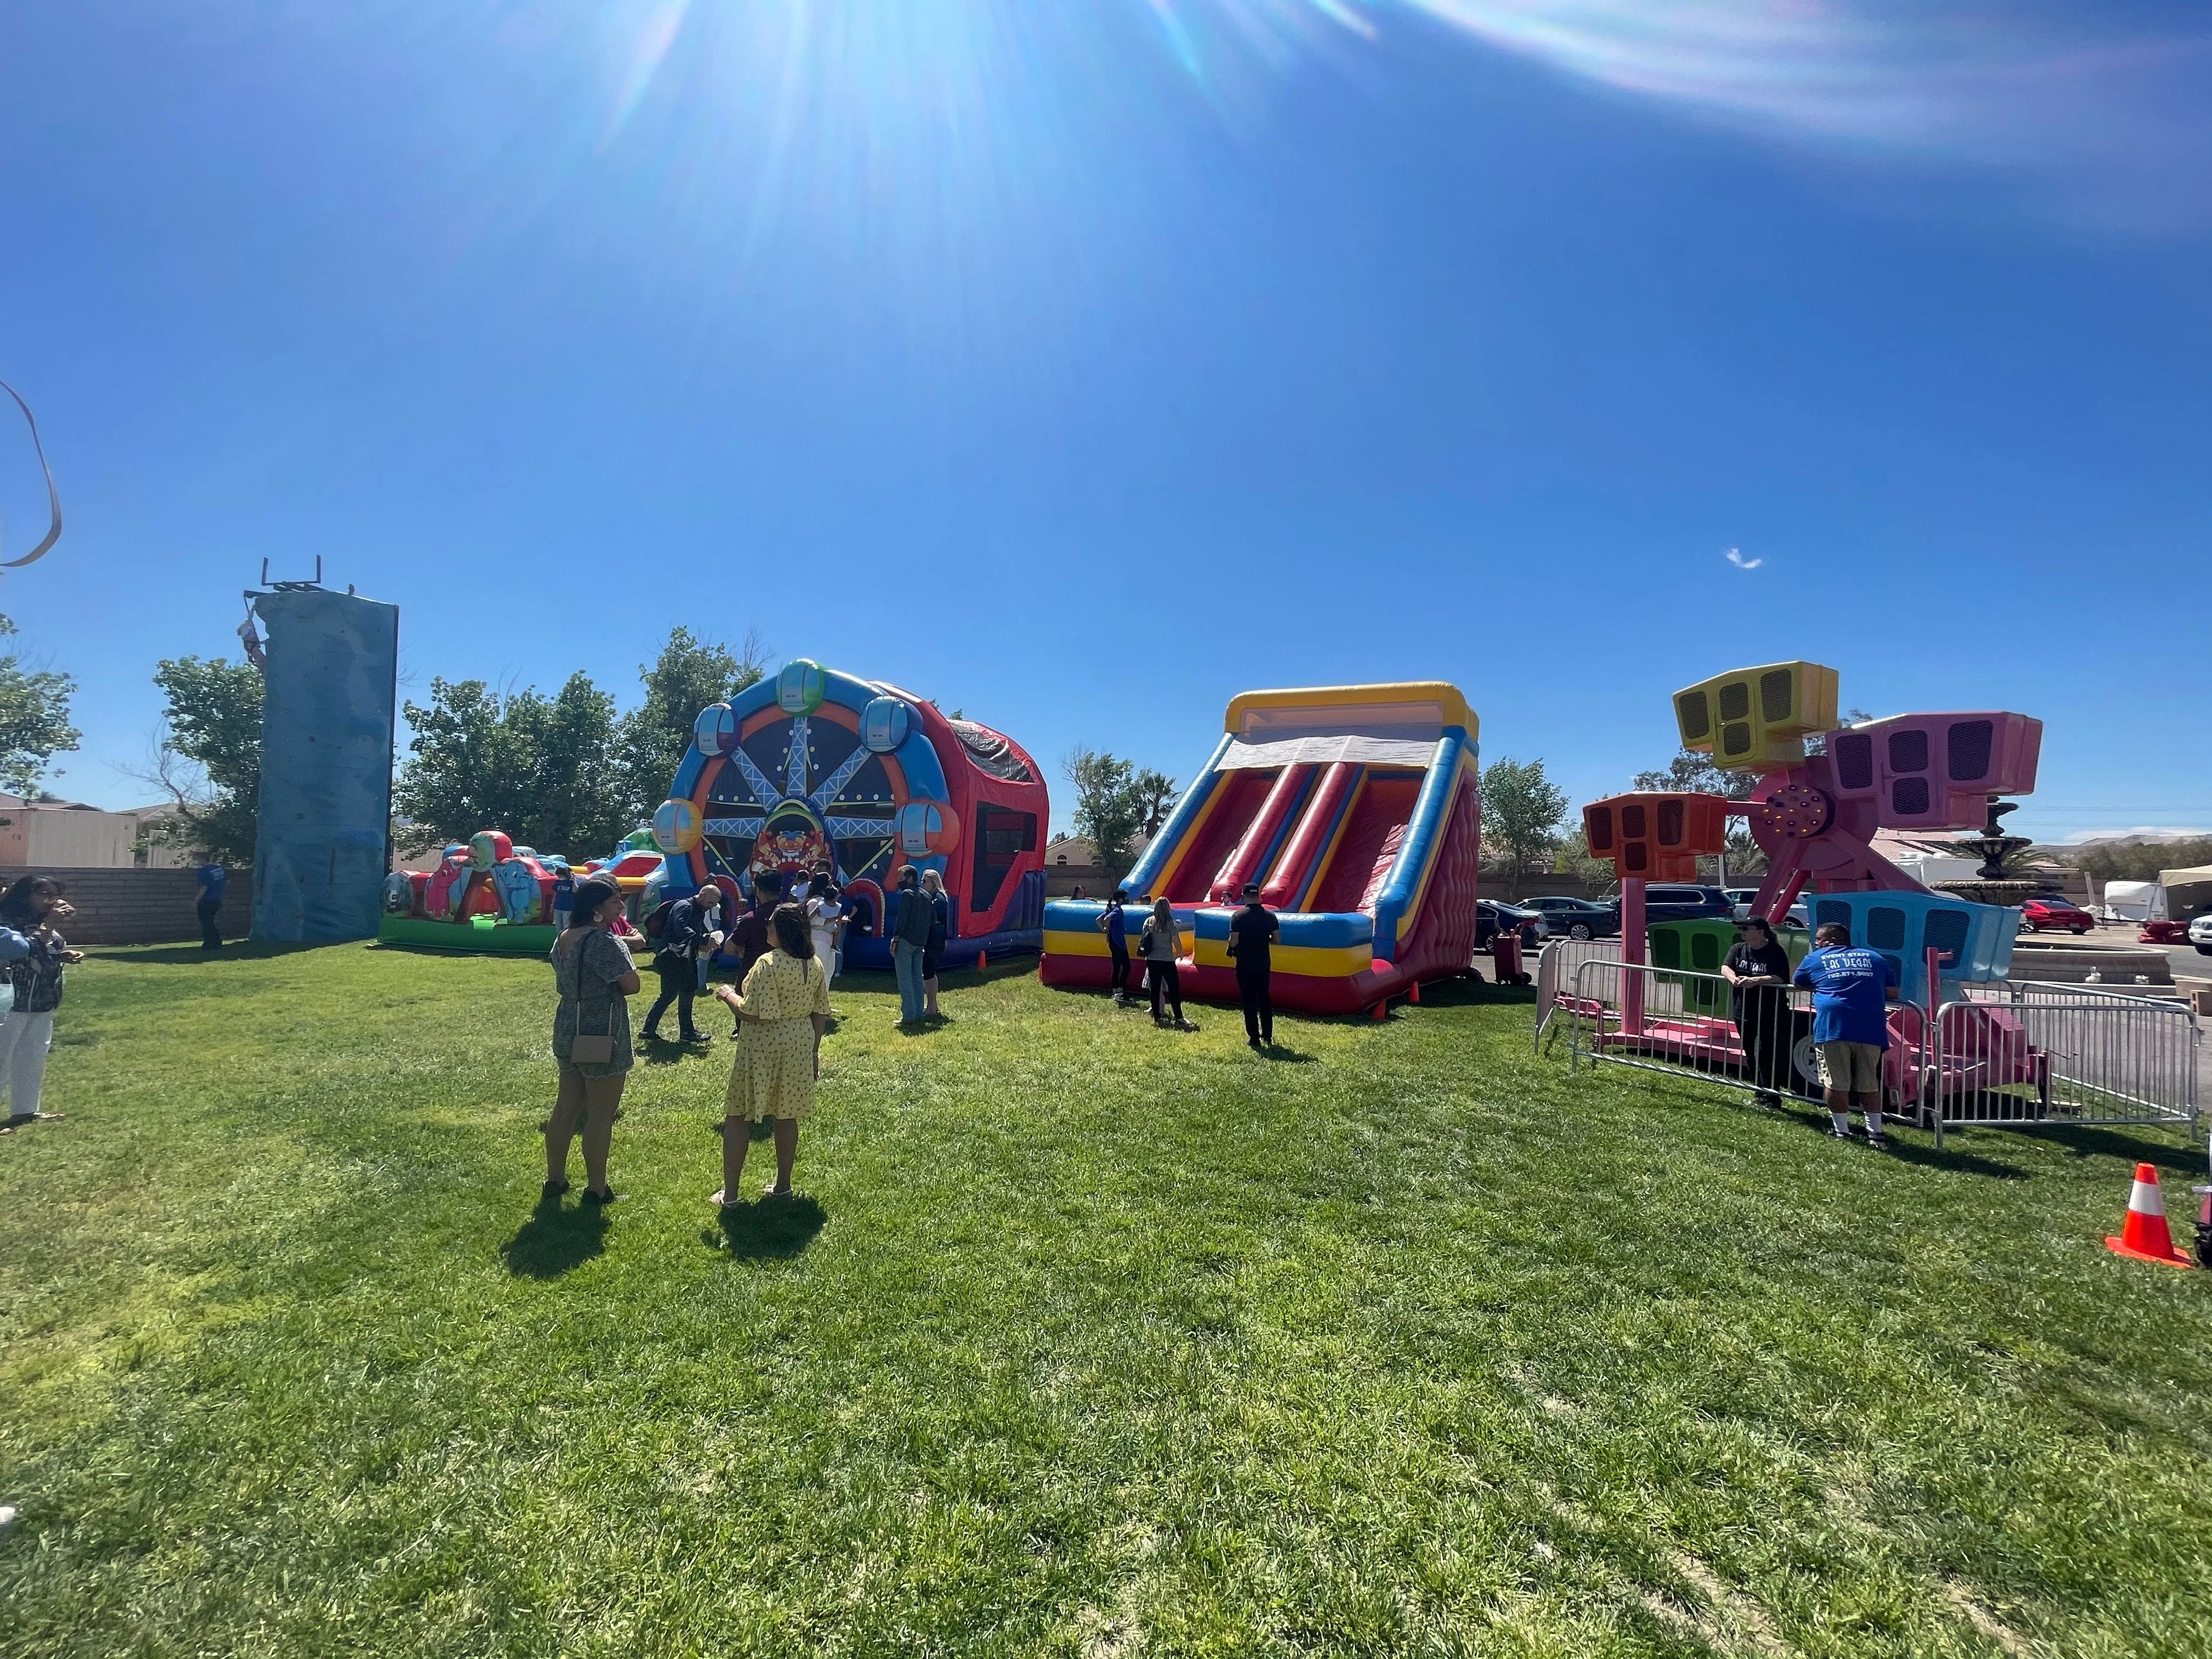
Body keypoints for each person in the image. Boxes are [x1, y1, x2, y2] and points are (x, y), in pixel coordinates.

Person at [712, 902, 830, 1205]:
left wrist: (727, 994)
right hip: (799, 1043)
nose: (767, 930)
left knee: (739, 1115)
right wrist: (814, 1052)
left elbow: (752, 1013)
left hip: (764, 1044)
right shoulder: (814, 963)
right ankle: (783, 1187)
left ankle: (732, 1196)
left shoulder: (768, 963)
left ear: (782, 931)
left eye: (771, 926)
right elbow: (820, 1013)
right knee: (787, 1114)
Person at [545, 877, 640, 1203]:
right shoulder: (605, 942)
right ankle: (597, 1189)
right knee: (601, 1114)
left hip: (568, 1025)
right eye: (615, 902)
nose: (622, 907)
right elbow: (632, 985)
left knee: (566, 1107)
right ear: (597, 910)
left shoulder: (563, 937)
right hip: (601, 1031)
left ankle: (555, 1180)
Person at [1792, 921, 1901, 1147]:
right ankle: (1876, 1133)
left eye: (1818, 940)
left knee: (1835, 1081)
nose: (1816, 944)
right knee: (1869, 1083)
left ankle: (1842, 1130)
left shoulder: (1815, 959)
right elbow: (1892, 991)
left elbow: (1799, 982)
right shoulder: (1874, 958)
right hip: (1870, 1026)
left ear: (1829, 941)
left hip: (1834, 1026)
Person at [0, 882, 64, 1133]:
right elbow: (21, 949)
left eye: (55, 895)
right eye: (44, 894)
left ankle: (26, 1109)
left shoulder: (41, 920)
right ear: (26, 895)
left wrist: (62, 954)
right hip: (13, 997)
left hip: (41, 996)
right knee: (2, 1055)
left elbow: (44, 951)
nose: (51, 899)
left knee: (34, 1054)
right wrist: (49, 924)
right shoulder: (8, 921)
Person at [1722, 917, 1796, 1107]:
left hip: (1769, 1010)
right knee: (1750, 1051)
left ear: (1760, 931)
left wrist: (1756, 980)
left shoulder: (1774, 951)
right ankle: (1759, 1092)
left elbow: (1780, 978)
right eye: (1741, 928)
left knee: (1766, 1053)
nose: (1742, 931)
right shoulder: (1738, 949)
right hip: (1743, 1009)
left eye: (1746, 928)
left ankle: (1772, 1095)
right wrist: (1734, 979)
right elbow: (1725, 967)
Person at [641, 883, 722, 1045]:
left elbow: (691, 933)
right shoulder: (684, 906)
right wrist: (704, 940)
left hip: (684, 956)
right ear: (703, 895)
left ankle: (657, 1030)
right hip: (673, 957)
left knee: (683, 992)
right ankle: (680, 1032)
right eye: (710, 903)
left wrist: (705, 939)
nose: (710, 907)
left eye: (713, 905)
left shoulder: (698, 910)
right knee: (672, 994)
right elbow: (682, 930)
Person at [725, 872, 782, 1035]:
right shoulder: (790, 914)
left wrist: (741, 948)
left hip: (753, 972)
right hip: (785, 972)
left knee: (746, 1013)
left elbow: (729, 948)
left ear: (758, 890)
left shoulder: (751, 918)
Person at [1226, 882, 1279, 1050]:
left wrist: (1231, 946)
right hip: (1263, 963)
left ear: (1243, 896)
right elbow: (1277, 940)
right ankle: (1268, 1034)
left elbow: (1234, 940)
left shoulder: (1238, 917)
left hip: (1245, 964)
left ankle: (1254, 1038)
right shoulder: (1270, 916)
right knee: (1264, 998)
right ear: (1259, 896)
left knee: (1249, 1000)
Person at [1139, 898, 1192, 1029]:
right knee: (1174, 988)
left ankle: (1157, 1016)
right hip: (1167, 959)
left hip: (1152, 959)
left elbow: (1144, 938)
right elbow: (1176, 939)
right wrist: (1180, 953)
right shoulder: (1169, 923)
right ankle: (1179, 1017)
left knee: (1155, 989)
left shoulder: (1149, 922)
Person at [889, 865, 932, 1025]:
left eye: (901, 876)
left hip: (906, 940)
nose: (899, 880)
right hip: (920, 941)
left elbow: (902, 918)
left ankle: (908, 1015)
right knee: (917, 978)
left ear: (910, 878)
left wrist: (895, 939)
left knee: (905, 978)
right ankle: (919, 1012)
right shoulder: (926, 895)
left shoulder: (907, 894)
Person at [919, 867, 951, 1020]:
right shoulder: (936, 896)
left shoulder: (938, 898)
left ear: (932, 882)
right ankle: (933, 1005)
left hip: (934, 939)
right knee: (929, 970)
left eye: (924, 881)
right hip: (934, 938)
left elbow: (938, 918)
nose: (922, 883)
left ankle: (931, 1006)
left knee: (928, 970)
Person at [1096, 888, 1135, 1005]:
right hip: (1118, 941)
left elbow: (1098, 920)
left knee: (1117, 966)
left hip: (1113, 941)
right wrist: (1108, 931)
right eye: (1127, 897)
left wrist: (1105, 932)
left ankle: (1115, 990)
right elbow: (1107, 920)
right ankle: (1120, 992)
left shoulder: (1110, 908)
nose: (1128, 899)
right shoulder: (1118, 910)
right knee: (1126, 967)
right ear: (1122, 899)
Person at [806, 874, 845, 983]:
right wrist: (833, 919)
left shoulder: (832, 904)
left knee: (827, 975)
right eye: (829, 881)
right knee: (817, 975)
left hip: (829, 941)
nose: (831, 883)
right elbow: (813, 921)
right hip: (817, 941)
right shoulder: (815, 902)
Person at [195, 860, 227, 951]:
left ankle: (210, 943)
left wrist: (196, 900)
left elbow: (204, 887)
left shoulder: (204, 871)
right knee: (210, 922)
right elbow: (227, 882)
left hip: (206, 900)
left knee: (206, 923)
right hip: (217, 900)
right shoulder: (219, 869)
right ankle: (216, 941)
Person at [550, 866, 575, 935]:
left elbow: (575, 891)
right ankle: (559, 942)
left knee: (566, 927)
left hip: (568, 908)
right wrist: (553, 905)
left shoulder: (571, 883)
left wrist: (574, 881)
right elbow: (555, 894)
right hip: (558, 907)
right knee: (558, 927)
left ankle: (566, 941)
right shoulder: (558, 882)